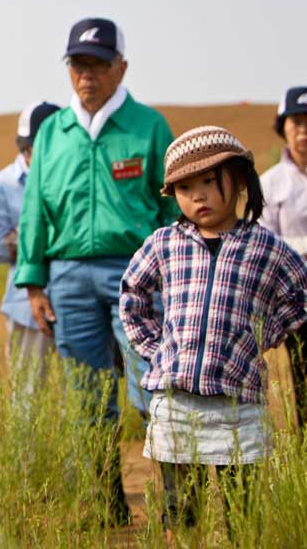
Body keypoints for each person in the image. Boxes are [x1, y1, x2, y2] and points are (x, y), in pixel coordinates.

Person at [14, 17, 178, 523]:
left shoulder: (149, 127)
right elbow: (35, 210)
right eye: (78, 64)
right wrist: (34, 282)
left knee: (151, 386)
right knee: (86, 396)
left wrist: (176, 274)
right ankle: (105, 504)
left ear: (121, 66)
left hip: (137, 274)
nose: (88, 75)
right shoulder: (52, 134)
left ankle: (175, 502)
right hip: (67, 279)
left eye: (99, 64)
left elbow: (172, 208)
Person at [121, 126, 307, 534]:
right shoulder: (164, 243)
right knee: (179, 512)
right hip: (177, 406)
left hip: (239, 408)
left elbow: (301, 295)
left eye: (209, 181)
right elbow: (132, 292)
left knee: (244, 514)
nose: (199, 195)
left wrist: (261, 336)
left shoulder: (266, 247)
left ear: (239, 179)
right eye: (186, 187)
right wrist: (157, 349)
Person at [0, 101, 59, 409]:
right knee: (27, 399)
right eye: (36, 147)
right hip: (24, 307)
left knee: (81, 396)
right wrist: (53, 239)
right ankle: (29, 460)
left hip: (75, 298)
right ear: (23, 145)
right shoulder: (0, 185)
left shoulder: (71, 177)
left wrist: (27, 237)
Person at [260, 86, 307, 428]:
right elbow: (267, 244)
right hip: (298, 301)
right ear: (284, 129)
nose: (304, 131)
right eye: (297, 123)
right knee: (304, 379)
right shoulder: (270, 184)